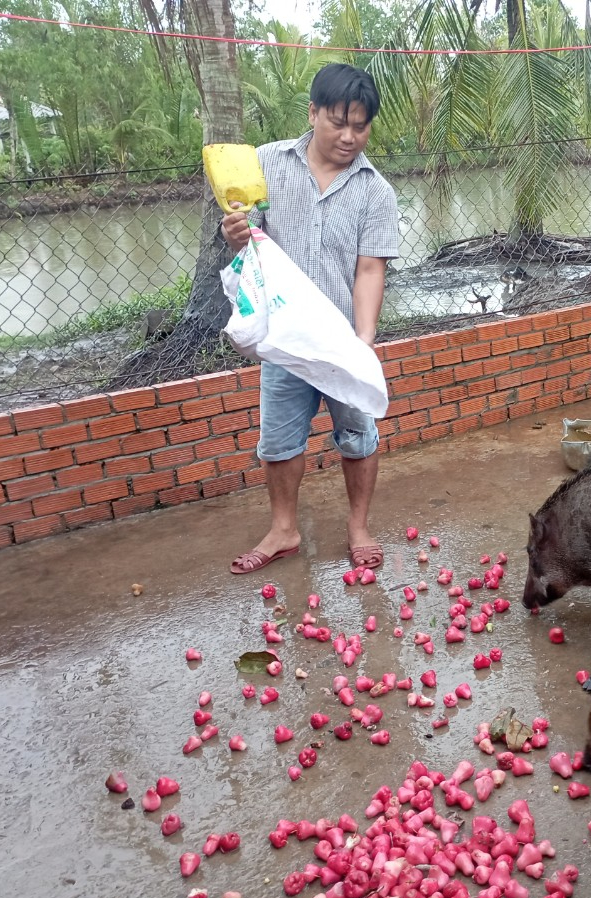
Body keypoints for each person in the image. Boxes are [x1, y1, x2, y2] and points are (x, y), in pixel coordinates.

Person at [221, 63, 400, 575]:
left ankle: (359, 526)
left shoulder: (376, 192)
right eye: (338, 122)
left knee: (358, 434)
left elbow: (370, 269)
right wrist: (237, 232)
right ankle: (284, 529)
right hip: (285, 338)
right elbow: (247, 236)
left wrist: (362, 342)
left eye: (360, 126)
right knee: (278, 441)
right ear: (313, 113)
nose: (349, 136)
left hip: (342, 340)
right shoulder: (265, 163)